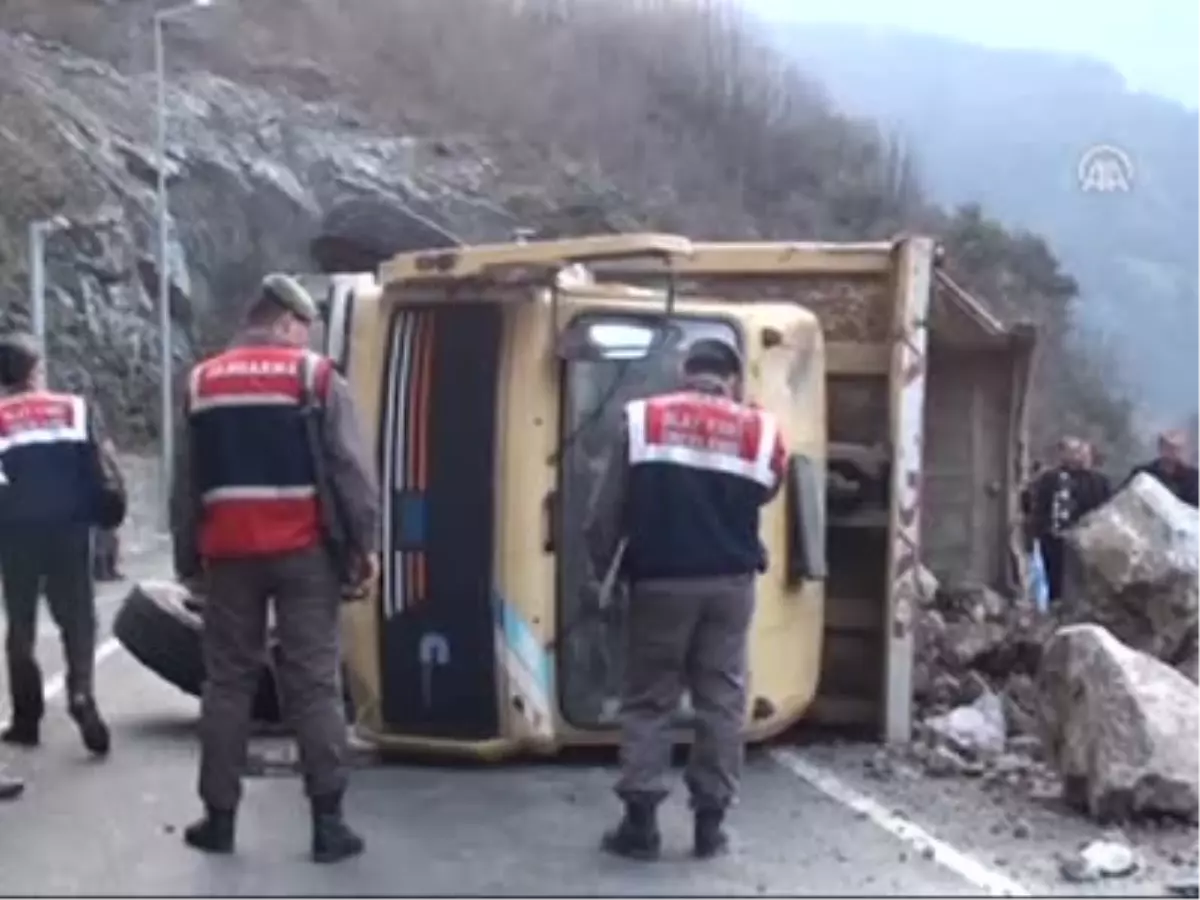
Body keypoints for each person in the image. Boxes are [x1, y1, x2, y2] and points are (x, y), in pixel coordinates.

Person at [172, 273, 381, 864]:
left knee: (228, 683)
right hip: (304, 552)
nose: (304, 339)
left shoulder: (202, 382)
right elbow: (350, 471)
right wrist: (364, 545)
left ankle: (218, 819)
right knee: (313, 682)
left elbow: (185, 483)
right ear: (287, 322)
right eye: (303, 329)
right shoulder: (313, 377)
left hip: (229, 554)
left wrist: (188, 558)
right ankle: (328, 825)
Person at [584, 337, 786, 862]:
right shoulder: (761, 430)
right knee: (721, 702)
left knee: (650, 699)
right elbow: (766, 488)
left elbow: (605, 511)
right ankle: (710, 827)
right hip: (729, 585)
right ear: (732, 378)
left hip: (658, 583)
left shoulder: (642, 419)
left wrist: (602, 569)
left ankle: (641, 826)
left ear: (684, 371)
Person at [0, 333, 120, 757]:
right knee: (79, 620)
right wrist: (105, 523)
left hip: (14, 535)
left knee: (20, 625)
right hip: (71, 530)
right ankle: (81, 694)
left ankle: (27, 719)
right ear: (35, 370)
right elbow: (103, 466)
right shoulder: (74, 409)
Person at [1027, 436, 1112, 604]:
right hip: (1053, 538)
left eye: (1081, 453)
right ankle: (1054, 608)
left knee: (1081, 583)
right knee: (1054, 579)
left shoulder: (1099, 482)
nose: (1077, 457)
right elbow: (1038, 505)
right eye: (1071, 452)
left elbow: (1103, 509)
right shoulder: (1050, 478)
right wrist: (1040, 528)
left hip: (1085, 541)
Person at [1125, 429, 1200, 505]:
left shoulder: (1196, 482)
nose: (1173, 454)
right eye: (1168, 448)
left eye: (1178, 449)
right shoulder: (1142, 475)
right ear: (1160, 448)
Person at [93, 440, 124, 582]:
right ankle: (104, 570)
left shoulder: (104, 445)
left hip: (109, 488)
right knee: (103, 534)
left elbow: (115, 468)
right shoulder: (97, 448)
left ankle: (109, 568)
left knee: (109, 534)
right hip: (103, 488)